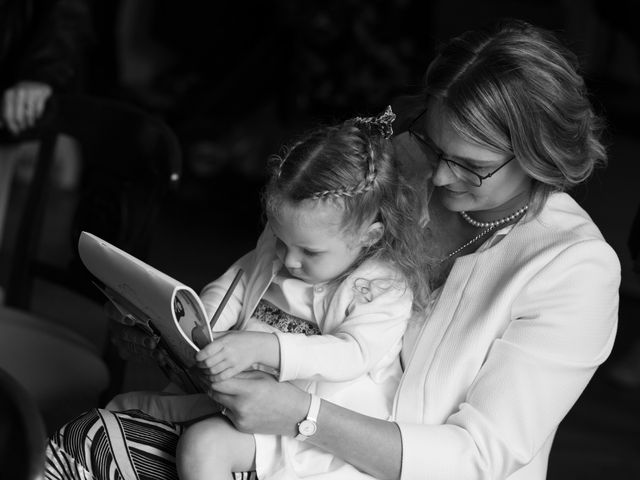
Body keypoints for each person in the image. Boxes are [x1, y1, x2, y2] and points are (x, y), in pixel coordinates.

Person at [45, 18, 620, 480]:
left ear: (542, 156)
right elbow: (271, 274)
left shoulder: (574, 270)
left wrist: (303, 416)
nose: (440, 179)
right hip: (272, 432)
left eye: (471, 167)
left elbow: (476, 458)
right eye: (433, 143)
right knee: (88, 443)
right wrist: (182, 337)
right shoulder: (389, 169)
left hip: (372, 459)